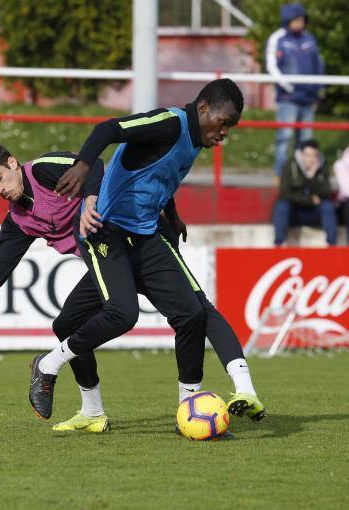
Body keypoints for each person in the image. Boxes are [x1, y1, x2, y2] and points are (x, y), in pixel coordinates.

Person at [0, 142, 263, 433]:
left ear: (14, 163)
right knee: (67, 324)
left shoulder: (45, 170)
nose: (0, 190)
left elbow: (95, 166)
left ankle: (190, 405)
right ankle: (93, 413)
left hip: (137, 243)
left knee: (192, 314)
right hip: (106, 260)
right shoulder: (19, 220)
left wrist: (100, 202)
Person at [30, 79, 266, 425]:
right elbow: (109, 128)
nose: (225, 133)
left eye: (230, 127)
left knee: (190, 315)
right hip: (104, 231)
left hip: (145, 235)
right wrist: (82, 166)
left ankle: (184, 411)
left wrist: (172, 214)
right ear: (203, 110)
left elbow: (155, 174)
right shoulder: (169, 123)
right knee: (123, 314)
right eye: (223, 122)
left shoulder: (195, 140)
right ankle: (48, 365)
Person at [265, 3, 324, 177]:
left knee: (306, 141)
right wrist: (289, 87)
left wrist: (318, 89)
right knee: (285, 138)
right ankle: (281, 176)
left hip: (308, 97)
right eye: (296, 19)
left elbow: (318, 65)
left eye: (302, 19)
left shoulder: (310, 38)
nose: (300, 22)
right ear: (287, 20)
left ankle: (304, 177)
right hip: (287, 99)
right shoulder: (278, 38)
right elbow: (272, 66)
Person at [273, 139, 337, 247]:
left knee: (327, 206)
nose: (311, 159)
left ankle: (331, 246)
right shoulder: (289, 165)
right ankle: (277, 244)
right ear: (301, 155)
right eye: (307, 155)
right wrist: (309, 200)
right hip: (294, 212)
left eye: (314, 155)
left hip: (314, 213)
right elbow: (285, 193)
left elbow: (327, 192)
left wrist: (312, 177)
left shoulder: (322, 166)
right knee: (282, 205)